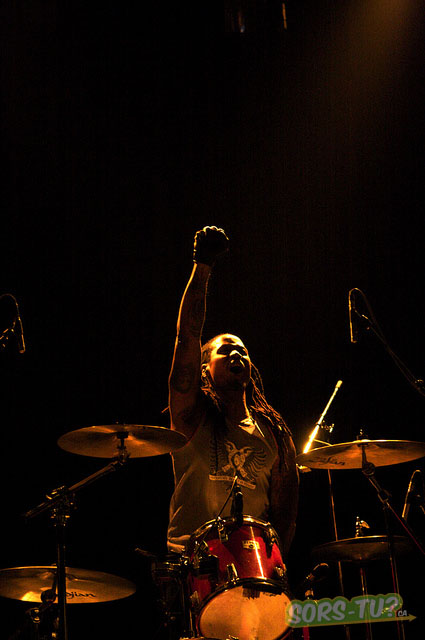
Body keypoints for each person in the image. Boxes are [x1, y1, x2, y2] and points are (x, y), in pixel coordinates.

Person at [167, 226, 299, 559]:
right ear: (203, 369)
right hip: (192, 565)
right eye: (225, 350)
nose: (236, 353)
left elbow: (285, 517)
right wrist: (203, 267)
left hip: (254, 568)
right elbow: (187, 336)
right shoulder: (191, 417)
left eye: (242, 350)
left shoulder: (274, 433)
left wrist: (273, 568)